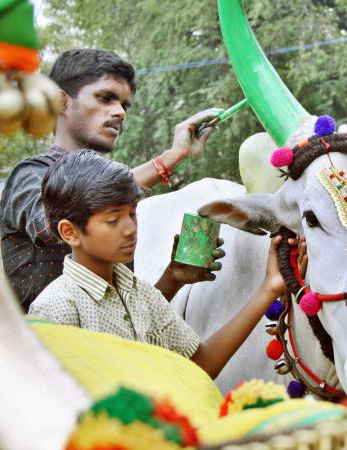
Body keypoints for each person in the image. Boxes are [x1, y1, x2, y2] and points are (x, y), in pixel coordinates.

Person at [29, 150, 289, 379]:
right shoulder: (56, 310)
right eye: (112, 220)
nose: (130, 229)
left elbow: (199, 366)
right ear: (70, 232)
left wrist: (269, 289)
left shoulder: (142, 293)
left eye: (132, 214)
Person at [0, 48, 221, 311]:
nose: (120, 112)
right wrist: (169, 158)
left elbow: (128, 322)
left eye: (125, 105)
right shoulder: (30, 175)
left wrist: (173, 277)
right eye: (106, 98)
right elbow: (56, 220)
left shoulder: (118, 202)